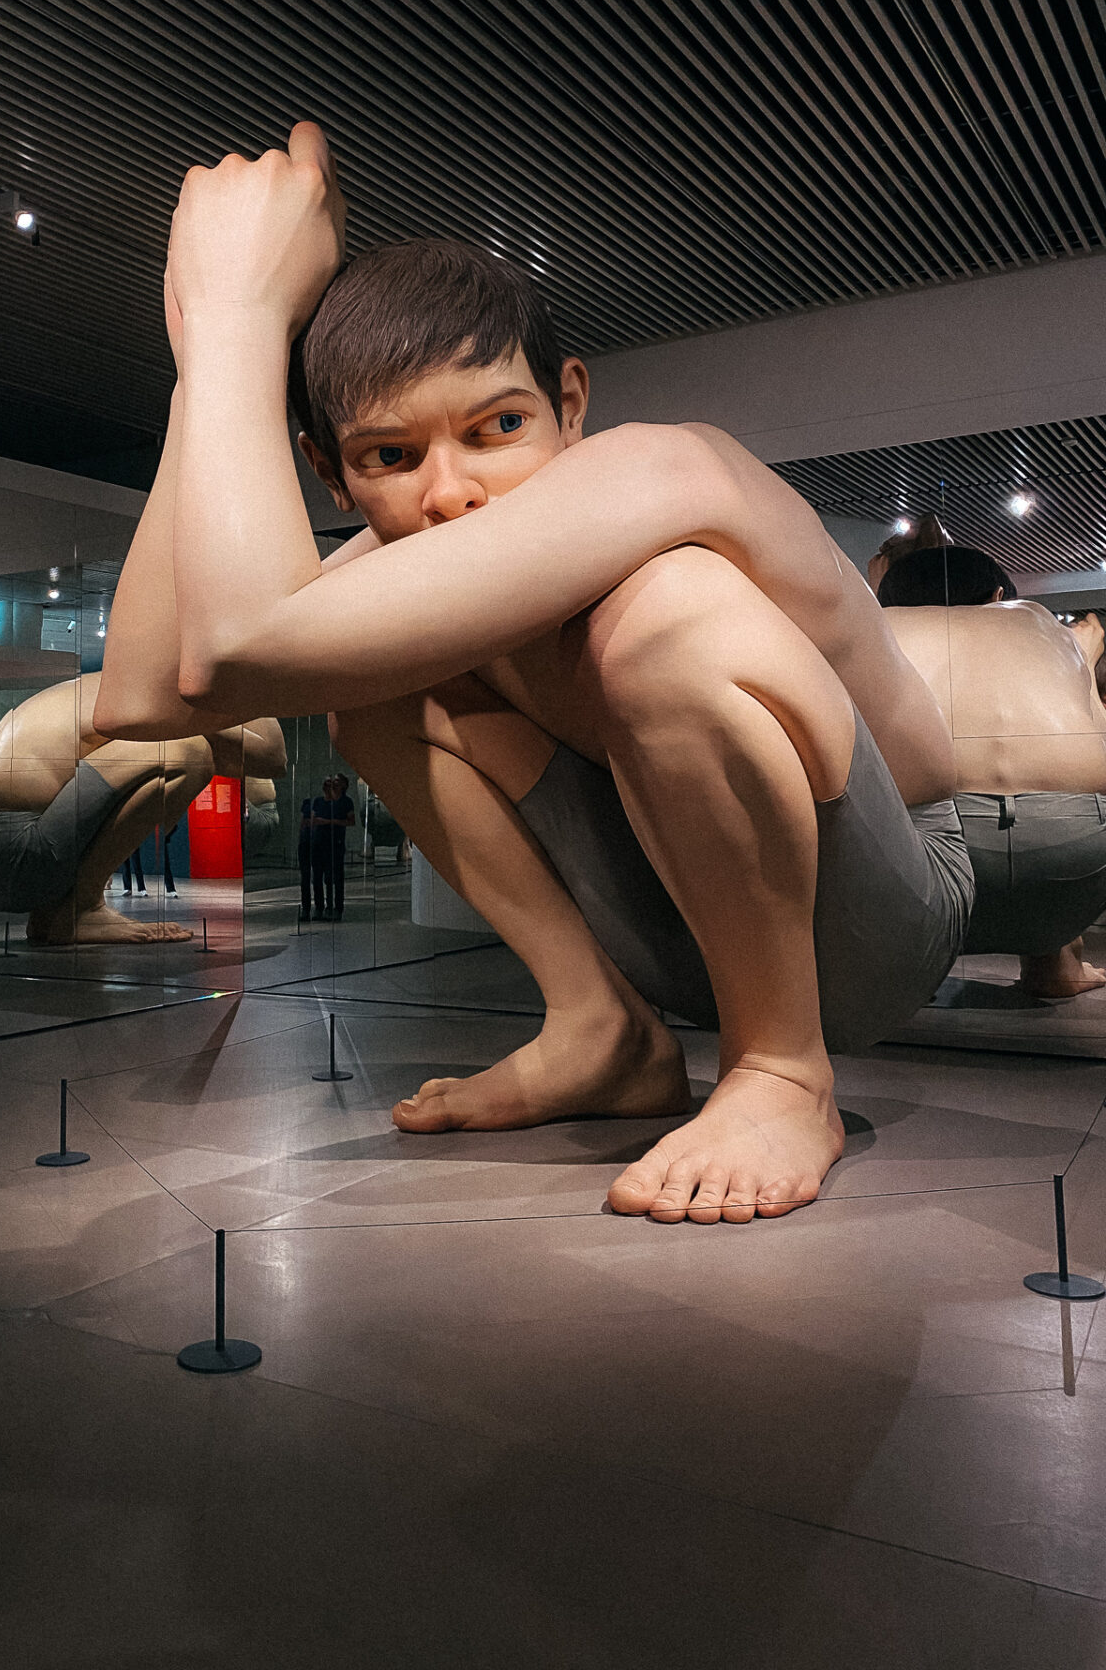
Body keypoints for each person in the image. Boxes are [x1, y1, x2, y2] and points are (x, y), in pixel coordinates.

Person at [96, 122, 972, 1226]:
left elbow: (234, 647)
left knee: (665, 613)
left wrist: (237, 310)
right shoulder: (406, 558)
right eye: (389, 457)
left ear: (569, 402)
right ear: (328, 471)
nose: (452, 492)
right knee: (359, 674)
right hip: (682, 914)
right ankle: (600, 1030)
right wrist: (215, 352)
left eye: (498, 425)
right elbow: (141, 696)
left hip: (890, 910)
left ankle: (782, 1072)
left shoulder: (658, 467)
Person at [881, 543, 1106, 998]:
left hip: (925, 866)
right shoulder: (1039, 622)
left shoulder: (880, 630)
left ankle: (900, 976)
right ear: (999, 594)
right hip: (1079, 856)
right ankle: (1056, 964)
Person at [0, 673, 283, 944]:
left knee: (168, 750)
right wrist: (247, 683)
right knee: (188, 753)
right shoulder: (155, 695)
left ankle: (53, 913)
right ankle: (82, 909)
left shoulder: (96, 688)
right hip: (13, 853)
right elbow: (271, 756)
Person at [310, 772, 355, 919]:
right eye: (329, 783)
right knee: (318, 877)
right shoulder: (319, 801)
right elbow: (313, 820)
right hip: (319, 843)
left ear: (343, 785)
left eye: (336, 782)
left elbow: (351, 821)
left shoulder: (346, 802)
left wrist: (332, 822)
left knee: (334, 878)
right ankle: (320, 907)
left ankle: (336, 908)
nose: (332, 785)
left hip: (336, 844)